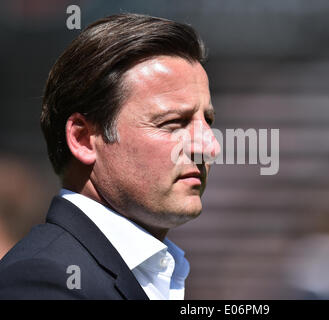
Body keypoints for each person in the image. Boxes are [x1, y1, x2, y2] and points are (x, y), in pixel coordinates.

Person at [0, 13, 220, 300]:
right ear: (82, 139)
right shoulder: (44, 282)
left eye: (208, 121)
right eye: (173, 123)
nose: (209, 146)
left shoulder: (156, 273)